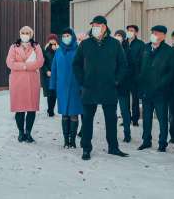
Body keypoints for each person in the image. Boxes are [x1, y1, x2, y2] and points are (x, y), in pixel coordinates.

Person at [73, 15, 129, 160]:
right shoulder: (85, 44)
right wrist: (82, 80)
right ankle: (86, 148)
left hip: (109, 87)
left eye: (97, 25)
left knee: (111, 119)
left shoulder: (114, 44)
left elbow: (123, 65)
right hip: (89, 87)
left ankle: (113, 147)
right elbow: (76, 64)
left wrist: (116, 80)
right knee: (87, 120)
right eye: (93, 26)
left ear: (104, 27)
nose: (95, 28)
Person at [137, 25, 174, 152]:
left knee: (162, 119)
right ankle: (146, 140)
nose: (155, 35)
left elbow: (171, 72)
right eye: (153, 32)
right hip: (146, 91)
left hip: (161, 92)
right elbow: (139, 67)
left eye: (158, 33)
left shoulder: (169, 51)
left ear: (164, 36)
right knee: (146, 118)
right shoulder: (145, 48)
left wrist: (160, 85)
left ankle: (162, 143)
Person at [6, 26, 44, 143]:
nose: (25, 34)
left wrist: (22, 65)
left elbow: (40, 62)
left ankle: (28, 132)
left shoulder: (36, 46)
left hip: (32, 81)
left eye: (27, 32)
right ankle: (21, 133)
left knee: (31, 108)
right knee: (20, 109)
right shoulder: (14, 47)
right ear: (20, 33)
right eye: (23, 32)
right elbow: (9, 63)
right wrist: (26, 66)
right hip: (17, 82)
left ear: (31, 34)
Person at [50, 28, 83, 148]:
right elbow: (54, 69)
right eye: (64, 35)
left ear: (73, 36)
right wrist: (52, 86)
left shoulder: (79, 50)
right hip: (62, 87)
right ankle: (65, 140)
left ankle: (73, 140)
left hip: (76, 87)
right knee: (64, 114)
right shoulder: (58, 51)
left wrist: (83, 85)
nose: (66, 37)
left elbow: (83, 68)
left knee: (74, 114)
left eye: (68, 35)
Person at [125, 24, 145, 128]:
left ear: (136, 32)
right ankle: (126, 118)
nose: (130, 32)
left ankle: (135, 118)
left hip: (135, 76)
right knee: (125, 99)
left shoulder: (140, 44)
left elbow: (142, 60)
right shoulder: (123, 43)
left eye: (132, 30)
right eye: (128, 30)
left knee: (135, 99)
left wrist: (140, 75)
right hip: (124, 76)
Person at [114, 29, 132, 141]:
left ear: (124, 38)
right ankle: (112, 133)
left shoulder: (127, 50)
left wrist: (119, 79)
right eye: (116, 35)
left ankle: (127, 134)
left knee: (125, 111)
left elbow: (127, 68)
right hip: (111, 85)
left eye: (120, 36)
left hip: (123, 85)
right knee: (112, 112)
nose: (118, 37)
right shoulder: (111, 48)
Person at [41, 34, 59, 117]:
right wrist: (46, 71)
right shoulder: (45, 50)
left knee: (55, 94)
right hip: (48, 75)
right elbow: (43, 63)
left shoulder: (59, 49)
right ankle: (50, 110)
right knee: (50, 93)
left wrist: (56, 51)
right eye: (51, 39)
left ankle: (51, 109)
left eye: (54, 39)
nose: (52, 41)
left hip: (57, 75)